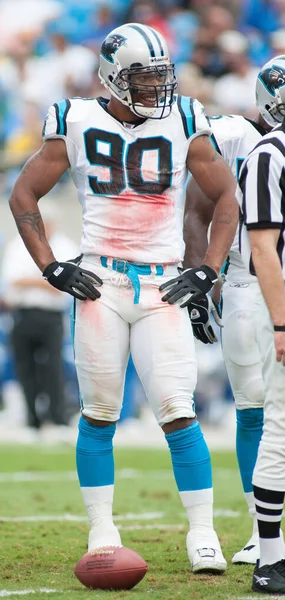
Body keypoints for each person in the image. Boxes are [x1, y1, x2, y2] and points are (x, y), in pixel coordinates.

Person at [8, 23, 238, 574]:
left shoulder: (186, 117)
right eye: (144, 76)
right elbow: (24, 194)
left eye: (161, 74)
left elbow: (226, 194)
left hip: (163, 284)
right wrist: (52, 266)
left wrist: (207, 270)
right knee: (100, 413)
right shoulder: (75, 118)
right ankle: (102, 527)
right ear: (113, 77)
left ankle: (203, 532)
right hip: (100, 281)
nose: (158, 86)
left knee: (178, 412)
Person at [182, 80, 272, 563]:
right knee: (253, 406)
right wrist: (202, 281)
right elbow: (199, 209)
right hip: (246, 283)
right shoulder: (236, 135)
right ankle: (265, 529)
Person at [234, 54, 285, 595]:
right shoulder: (270, 153)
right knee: (280, 430)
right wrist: (282, 322)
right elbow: (264, 250)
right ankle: (270, 558)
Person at [0, 200, 78, 431]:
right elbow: (12, 279)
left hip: (51, 315)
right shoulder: (18, 245)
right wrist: (45, 280)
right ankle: (31, 419)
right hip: (23, 312)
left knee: (54, 368)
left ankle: (58, 417)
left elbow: (63, 286)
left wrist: (33, 281)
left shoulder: (65, 246)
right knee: (26, 368)